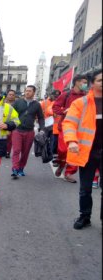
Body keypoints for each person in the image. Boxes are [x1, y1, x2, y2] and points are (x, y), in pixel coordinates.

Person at [62, 70, 102, 229]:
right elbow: (69, 123)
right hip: (88, 152)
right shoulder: (81, 103)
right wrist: (72, 141)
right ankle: (85, 216)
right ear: (92, 83)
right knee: (85, 189)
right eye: (100, 80)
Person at [53, 75, 88, 183]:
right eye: (84, 82)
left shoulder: (86, 97)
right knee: (63, 150)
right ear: (77, 82)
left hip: (80, 128)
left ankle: (69, 173)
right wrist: (64, 110)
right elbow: (56, 107)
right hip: (66, 127)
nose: (86, 84)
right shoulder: (66, 95)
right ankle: (61, 164)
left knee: (75, 152)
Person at [11, 85, 45, 178]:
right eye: (26, 90)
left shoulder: (37, 104)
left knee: (25, 152)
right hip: (17, 130)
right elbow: (10, 113)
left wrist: (42, 129)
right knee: (16, 150)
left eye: (30, 91)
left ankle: (21, 169)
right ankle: (15, 169)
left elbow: (41, 118)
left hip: (29, 131)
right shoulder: (18, 102)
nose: (27, 92)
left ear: (34, 93)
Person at [5, 89, 17, 158]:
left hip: (12, 124)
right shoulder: (2, 103)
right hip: (2, 123)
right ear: (7, 95)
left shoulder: (17, 104)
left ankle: (7, 152)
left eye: (13, 95)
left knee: (10, 140)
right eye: (10, 94)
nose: (11, 96)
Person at [51, 90, 62, 161]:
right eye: (55, 96)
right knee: (54, 142)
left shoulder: (63, 104)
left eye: (58, 96)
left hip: (63, 128)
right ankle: (53, 154)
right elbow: (49, 111)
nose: (56, 97)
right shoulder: (53, 104)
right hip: (53, 128)